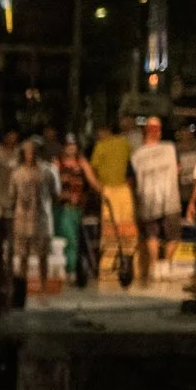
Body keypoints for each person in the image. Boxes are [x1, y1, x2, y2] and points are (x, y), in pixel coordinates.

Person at [130, 116, 180, 285]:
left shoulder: (136, 155)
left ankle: (154, 267)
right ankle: (165, 266)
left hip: (147, 200)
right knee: (172, 235)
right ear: (159, 132)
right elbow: (178, 169)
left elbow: (131, 179)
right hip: (170, 199)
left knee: (152, 235)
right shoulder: (170, 149)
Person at [91, 123, 137, 284]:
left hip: (109, 190)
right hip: (123, 190)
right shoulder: (125, 143)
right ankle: (127, 260)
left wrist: (98, 187)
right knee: (127, 228)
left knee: (110, 229)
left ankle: (107, 268)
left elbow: (94, 168)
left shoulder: (101, 146)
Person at [9, 139, 54, 292]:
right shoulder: (17, 174)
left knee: (43, 253)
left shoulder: (47, 172)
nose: (30, 155)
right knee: (22, 254)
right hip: (22, 217)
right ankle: (22, 285)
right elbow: (12, 196)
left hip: (41, 217)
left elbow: (54, 193)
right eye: (27, 152)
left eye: (33, 152)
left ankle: (44, 284)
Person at [55, 137, 100, 286]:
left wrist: (103, 192)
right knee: (64, 238)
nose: (71, 148)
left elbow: (92, 181)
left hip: (76, 208)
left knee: (73, 239)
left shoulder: (81, 163)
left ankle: (72, 270)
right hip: (61, 208)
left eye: (73, 145)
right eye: (68, 145)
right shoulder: (57, 163)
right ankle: (65, 270)